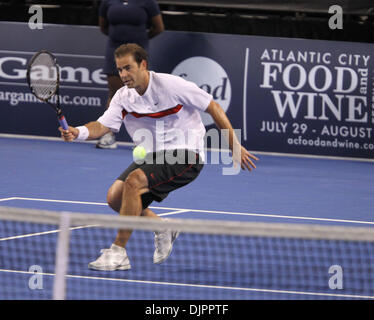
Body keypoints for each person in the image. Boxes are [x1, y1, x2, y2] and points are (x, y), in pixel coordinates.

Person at [59, 43, 258, 271]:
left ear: (143, 65)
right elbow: (102, 126)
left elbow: (212, 107)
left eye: (128, 68)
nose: (123, 75)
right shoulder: (123, 97)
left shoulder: (171, 85)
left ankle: (118, 252)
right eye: (120, 70)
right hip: (155, 156)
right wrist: (78, 132)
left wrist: (233, 145)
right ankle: (162, 227)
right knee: (115, 197)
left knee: (134, 182)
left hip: (186, 153)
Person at [97, 0, 164, 149]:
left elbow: (159, 27)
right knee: (114, 93)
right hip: (115, 51)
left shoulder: (148, 2)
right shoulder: (107, 1)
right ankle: (108, 136)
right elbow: (103, 27)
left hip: (138, 54)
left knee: (143, 94)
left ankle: (145, 139)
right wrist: (120, 41)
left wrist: (138, 42)